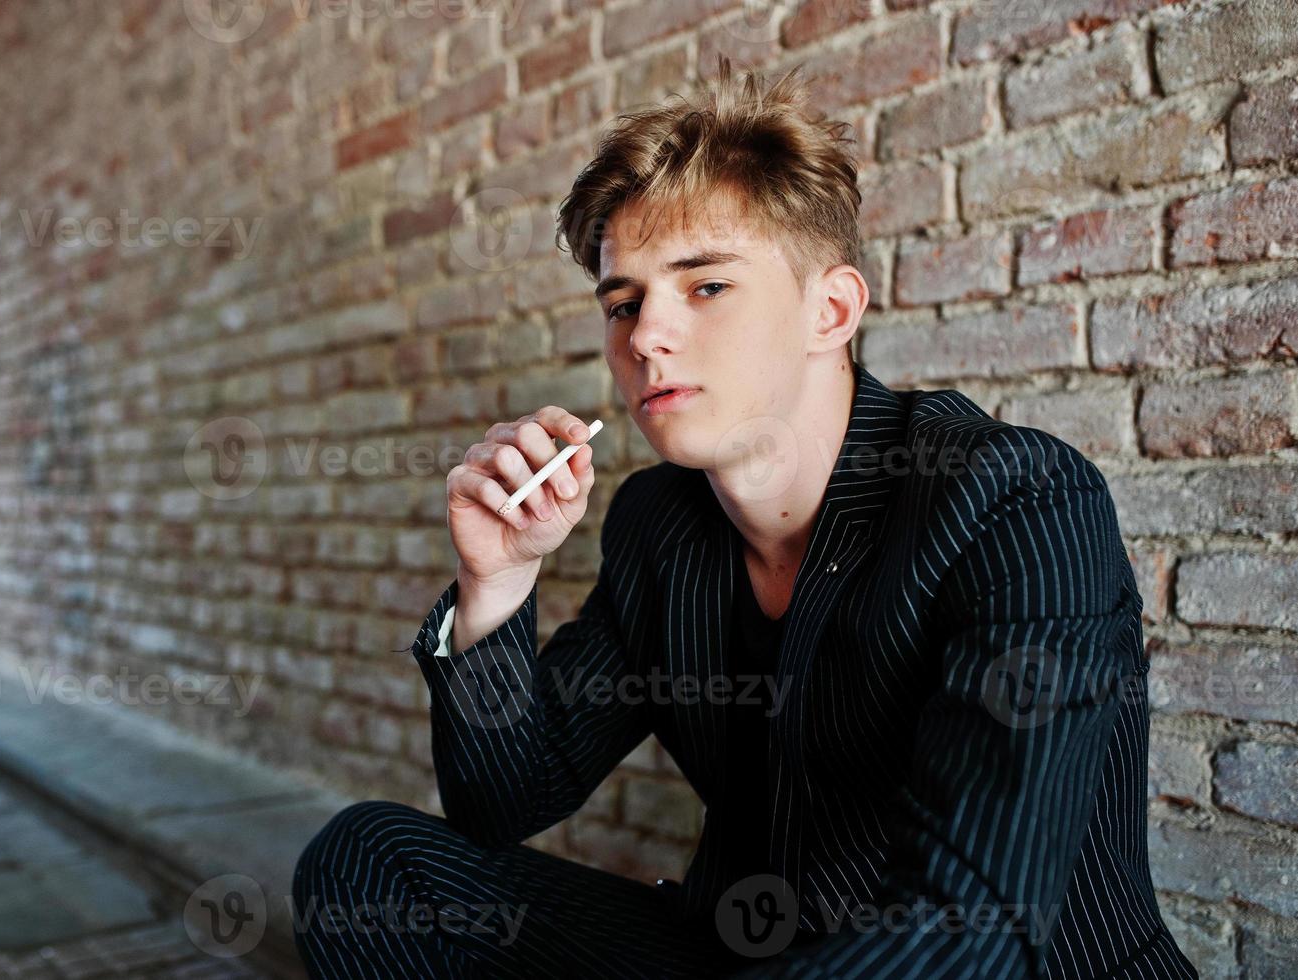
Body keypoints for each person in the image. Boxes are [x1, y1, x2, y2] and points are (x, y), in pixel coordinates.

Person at [292, 55, 1197, 979]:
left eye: (705, 285)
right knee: (367, 865)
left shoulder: (1017, 502)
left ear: (830, 309)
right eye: (622, 301)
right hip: (749, 948)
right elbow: (501, 802)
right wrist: (498, 580)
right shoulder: (659, 525)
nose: (644, 334)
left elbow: (976, 929)